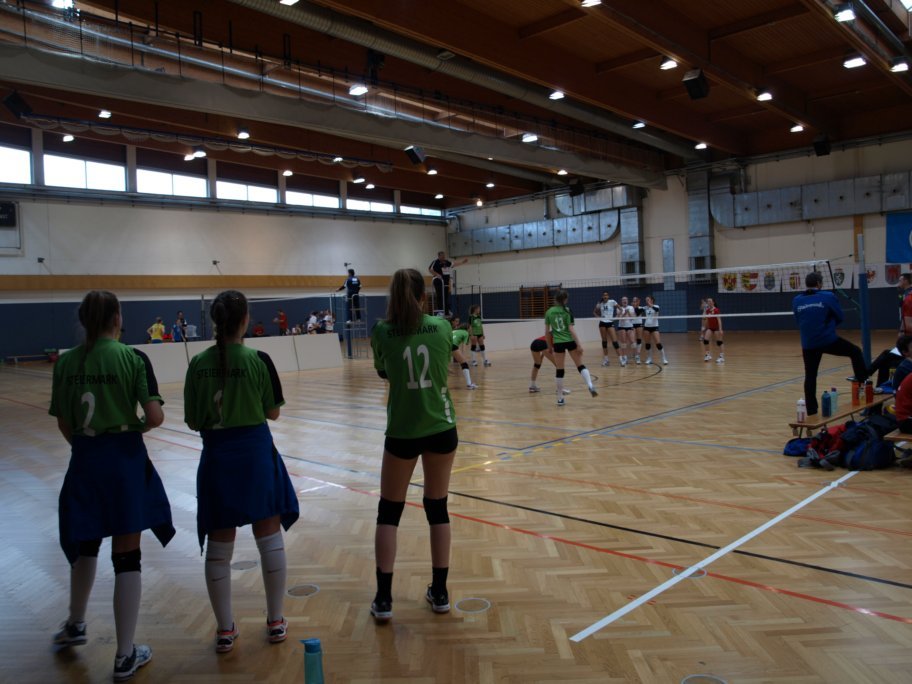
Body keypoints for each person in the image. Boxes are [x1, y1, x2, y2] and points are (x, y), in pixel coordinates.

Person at [50, 290, 174, 681]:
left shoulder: (65, 361)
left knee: (86, 541)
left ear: (84, 320)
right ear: (117, 318)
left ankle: (76, 622)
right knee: (127, 553)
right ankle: (124, 655)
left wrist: (86, 447)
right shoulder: (132, 358)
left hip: (85, 459)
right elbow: (155, 416)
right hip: (124, 462)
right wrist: (131, 429)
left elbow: (64, 421)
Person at [184, 290, 300, 653]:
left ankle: (225, 629)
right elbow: (273, 412)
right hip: (255, 457)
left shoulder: (197, 363)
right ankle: (276, 620)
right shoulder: (258, 360)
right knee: (269, 538)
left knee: (218, 549)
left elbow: (192, 420)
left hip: (217, 459)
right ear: (246, 320)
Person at [369, 268, 458, 622]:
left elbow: (383, 372)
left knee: (389, 512)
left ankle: (384, 599)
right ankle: (440, 592)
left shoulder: (382, 331)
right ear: (424, 296)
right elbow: (446, 355)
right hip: (441, 426)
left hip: (403, 431)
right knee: (437, 508)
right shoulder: (441, 327)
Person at [793, 272, 867, 417]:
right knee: (855, 352)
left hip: (808, 343)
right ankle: (864, 384)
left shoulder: (796, 300)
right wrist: (827, 327)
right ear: (819, 283)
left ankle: (812, 411)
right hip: (827, 340)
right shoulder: (828, 296)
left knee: (810, 375)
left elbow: (798, 320)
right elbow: (840, 316)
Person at [544, 290, 597, 405]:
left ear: (555, 299)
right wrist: (579, 345)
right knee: (580, 365)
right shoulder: (568, 310)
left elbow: (547, 332)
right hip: (570, 341)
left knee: (560, 369)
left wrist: (549, 346)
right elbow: (571, 329)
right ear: (565, 300)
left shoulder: (549, 312)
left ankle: (560, 398)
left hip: (558, 343)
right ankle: (590, 385)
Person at [428, 250, 467, 315]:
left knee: (445, 296)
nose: (443, 257)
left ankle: (446, 311)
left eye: (444, 256)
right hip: (438, 282)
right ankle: (440, 311)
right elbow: (430, 269)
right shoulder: (435, 262)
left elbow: (453, 264)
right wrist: (437, 274)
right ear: (439, 256)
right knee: (440, 296)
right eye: (442, 256)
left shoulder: (446, 262)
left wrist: (462, 262)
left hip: (445, 282)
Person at [593, 291, 621, 367]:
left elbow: (620, 309)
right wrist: (599, 317)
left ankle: (621, 359)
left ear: (608, 296)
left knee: (615, 342)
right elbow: (594, 312)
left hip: (610, 322)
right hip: (602, 323)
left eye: (606, 295)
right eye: (604, 295)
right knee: (604, 342)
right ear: (602, 296)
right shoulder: (600, 303)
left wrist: (616, 317)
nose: (605, 296)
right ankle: (606, 360)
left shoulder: (612, 301)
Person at [641, 295, 668, 365]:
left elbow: (657, 310)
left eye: (648, 299)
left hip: (654, 327)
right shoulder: (645, 308)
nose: (646, 301)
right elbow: (637, 311)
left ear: (652, 300)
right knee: (647, 343)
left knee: (658, 343)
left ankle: (664, 359)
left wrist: (650, 305)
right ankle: (649, 358)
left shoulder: (656, 306)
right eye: (646, 300)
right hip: (646, 327)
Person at [450, 323, 478, 389]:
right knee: (464, 364)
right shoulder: (466, 333)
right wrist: (464, 356)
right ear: (467, 328)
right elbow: (464, 346)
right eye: (470, 328)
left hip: (444, 345)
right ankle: (469, 384)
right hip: (452, 346)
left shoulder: (453, 331)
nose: (471, 329)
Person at [702, 298, 725, 363]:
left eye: (710, 301)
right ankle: (708, 355)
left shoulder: (716, 310)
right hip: (710, 328)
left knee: (719, 342)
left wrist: (720, 329)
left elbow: (719, 319)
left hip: (716, 328)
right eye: (708, 301)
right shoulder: (707, 310)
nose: (708, 302)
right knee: (705, 340)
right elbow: (706, 319)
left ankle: (721, 357)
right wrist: (705, 327)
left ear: (713, 302)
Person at [615, 296, 635, 367]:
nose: (624, 301)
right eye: (623, 300)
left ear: (627, 301)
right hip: (621, 326)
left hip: (629, 326)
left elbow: (632, 318)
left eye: (626, 299)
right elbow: (619, 318)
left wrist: (628, 312)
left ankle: (635, 355)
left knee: (632, 341)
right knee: (623, 342)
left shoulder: (631, 307)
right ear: (621, 301)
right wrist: (624, 313)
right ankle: (624, 357)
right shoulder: (619, 308)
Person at [631, 296, 645, 364]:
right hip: (632, 324)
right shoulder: (630, 308)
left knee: (639, 340)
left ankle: (638, 355)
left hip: (639, 324)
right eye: (634, 301)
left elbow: (637, 313)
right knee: (632, 340)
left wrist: (635, 306)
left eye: (636, 301)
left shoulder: (641, 308)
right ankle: (635, 352)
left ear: (638, 302)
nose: (634, 302)